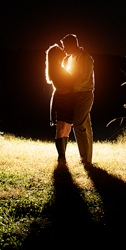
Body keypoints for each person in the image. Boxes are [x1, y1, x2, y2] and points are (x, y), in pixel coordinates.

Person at [50, 34, 95, 164]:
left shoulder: (85, 57)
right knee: (84, 125)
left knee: (79, 125)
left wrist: (69, 85)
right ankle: (87, 158)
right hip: (76, 95)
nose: (64, 49)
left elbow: (84, 78)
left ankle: (85, 159)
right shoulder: (70, 59)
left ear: (72, 45)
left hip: (84, 94)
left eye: (65, 46)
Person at [46, 43, 75, 163]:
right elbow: (65, 86)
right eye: (59, 49)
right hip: (62, 99)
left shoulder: (59, 67)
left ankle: (63, 155)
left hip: (67, 99)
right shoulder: (56, 69)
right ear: (55, 55)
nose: (62, 49)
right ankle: (61, 156)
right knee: (61, 128)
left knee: (67, 128)